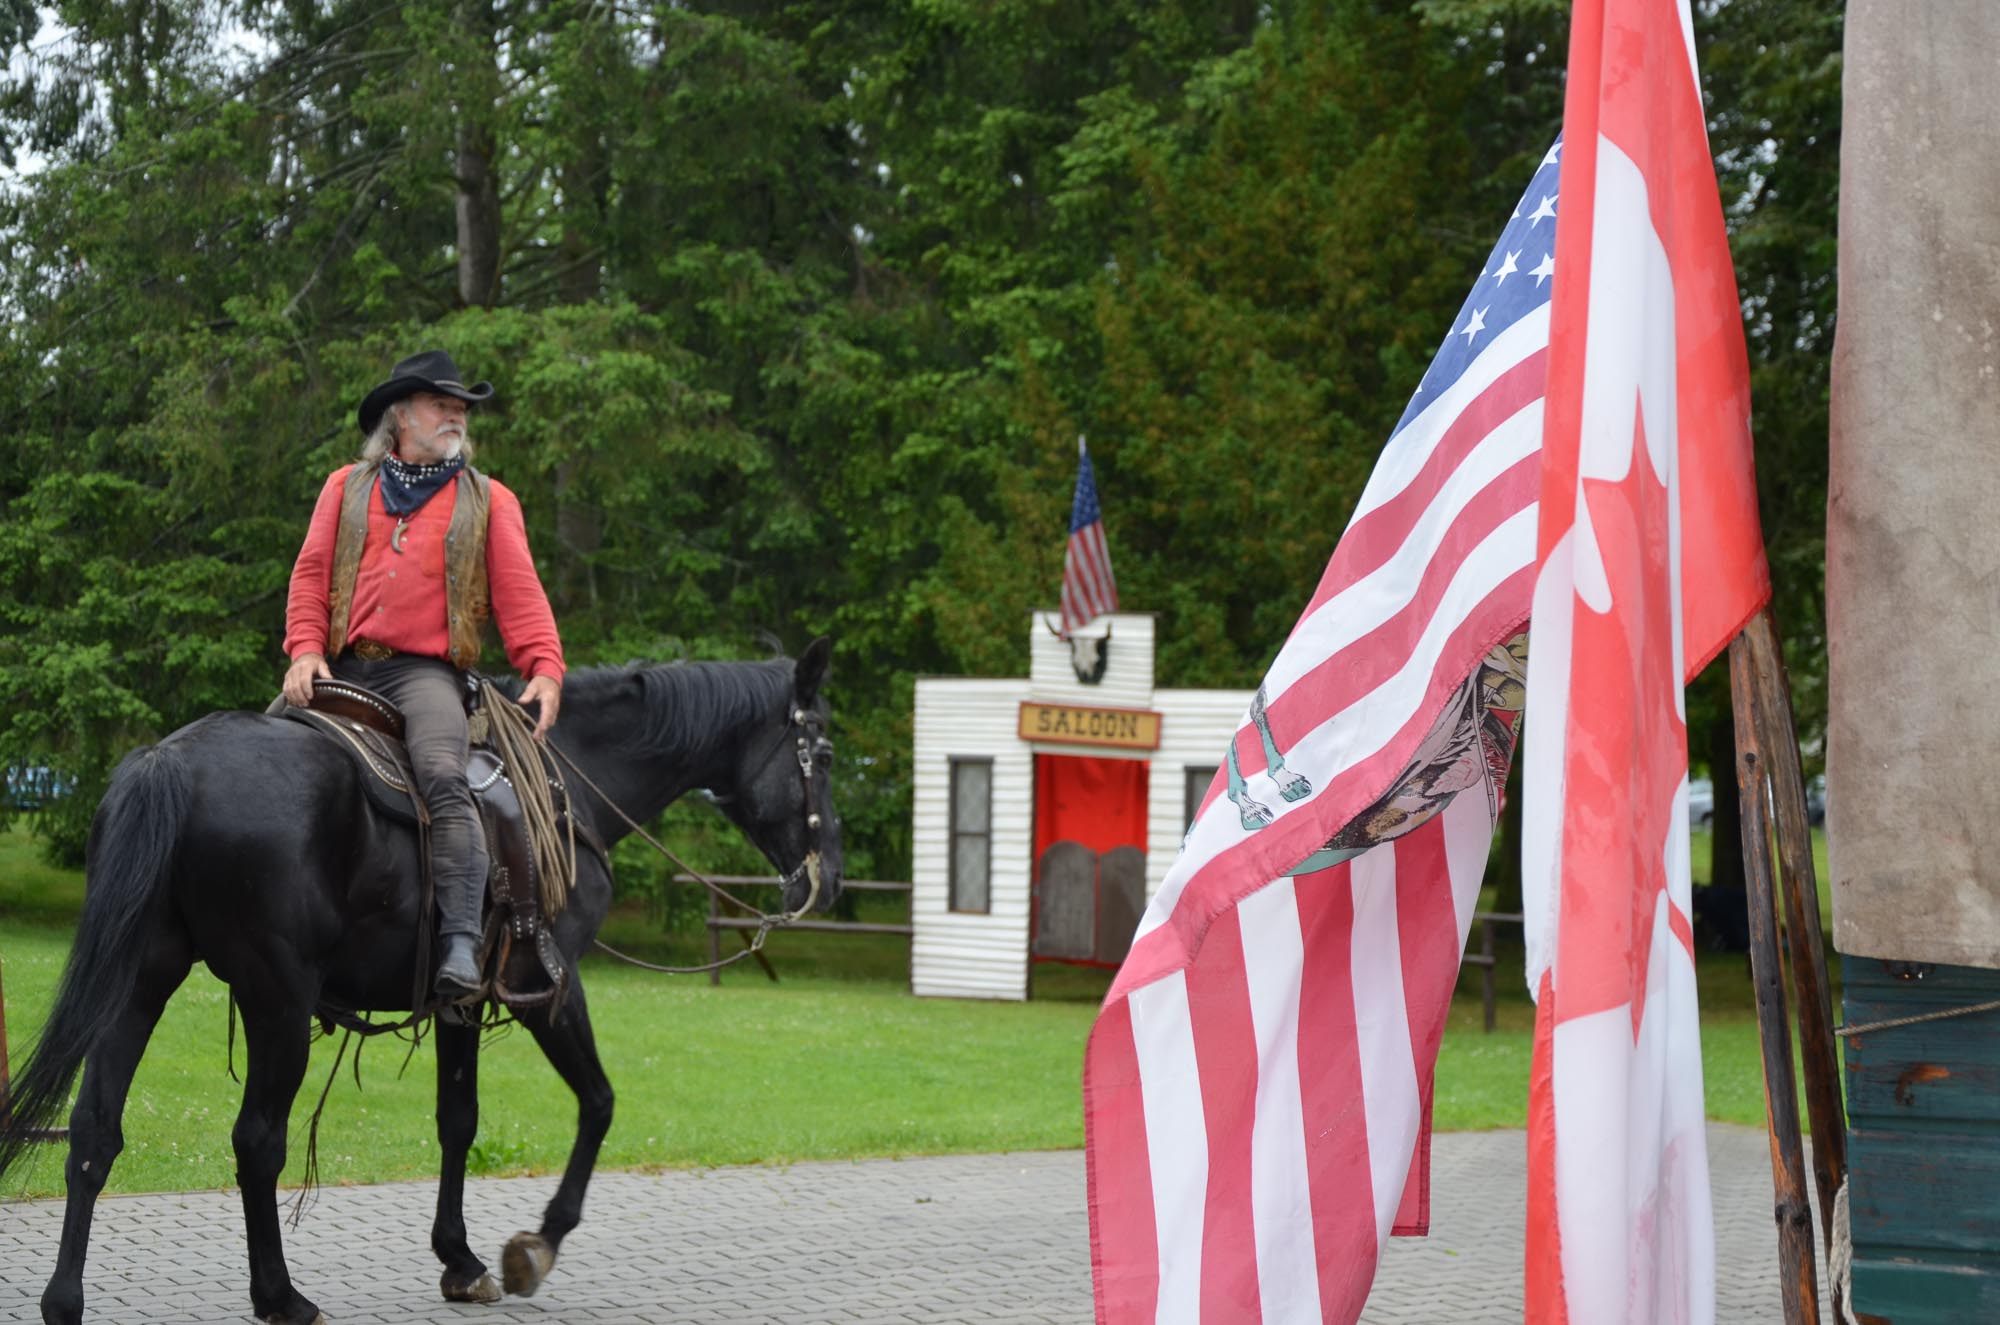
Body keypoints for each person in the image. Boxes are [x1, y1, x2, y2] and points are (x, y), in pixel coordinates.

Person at [282, 349, 565, 1000]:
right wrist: (303, 650)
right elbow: (309, 575)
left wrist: (544, 667)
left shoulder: (490, 500)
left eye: (461, 407)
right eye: (443, 404)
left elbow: (521, 596)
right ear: (400, 415)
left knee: (443, 773)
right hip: (341, 668)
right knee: (262, 754)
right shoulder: (343, 487)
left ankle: (460, 943)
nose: (457, 415)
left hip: (425, 677)